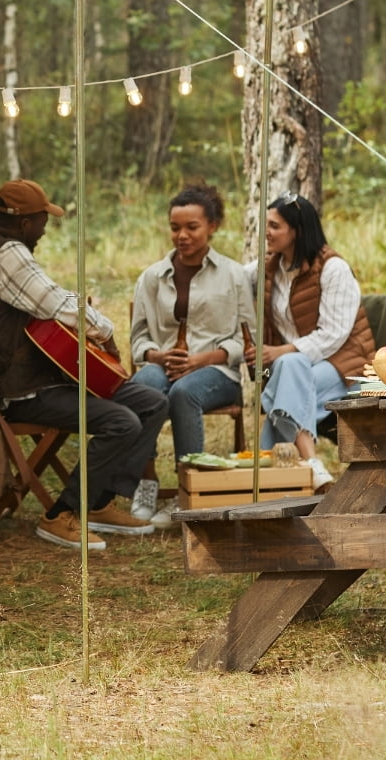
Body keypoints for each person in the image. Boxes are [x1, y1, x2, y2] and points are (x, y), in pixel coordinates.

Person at [0, 179, 168, 550]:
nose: (45, 229)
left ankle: (98, 503)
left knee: (153, 403)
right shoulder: (8, 253)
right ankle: (61, 513)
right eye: (44, 220)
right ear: (27, 222)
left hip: (48, 379)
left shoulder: (3, 250)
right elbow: (59, 304)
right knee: (121, 421)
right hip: (23, 390)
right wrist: (106, 333)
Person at [128, 183, 254, 526]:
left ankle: (190, 492)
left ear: (212, 226)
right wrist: (157, 355)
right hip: (163, 365)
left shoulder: (233, 275)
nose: (182, 236)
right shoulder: (151, 278)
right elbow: (138, 339)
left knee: (185, 392)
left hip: (217, 373)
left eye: (191, 227)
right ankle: (146, 482)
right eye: (175, 228)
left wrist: (202, 359)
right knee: (142, 388)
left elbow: (248, 342)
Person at [244, 194, 374, 491]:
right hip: (296, 368)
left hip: (344, 364)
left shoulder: (333, 268)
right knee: (291, 370)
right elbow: (232, 280)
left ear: (297, 230)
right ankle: (310, 464)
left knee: (288, 371)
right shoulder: (269, 267)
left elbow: (333, 334)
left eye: (274, 226)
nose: (266, 231)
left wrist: (282, 351)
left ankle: (269, 475)